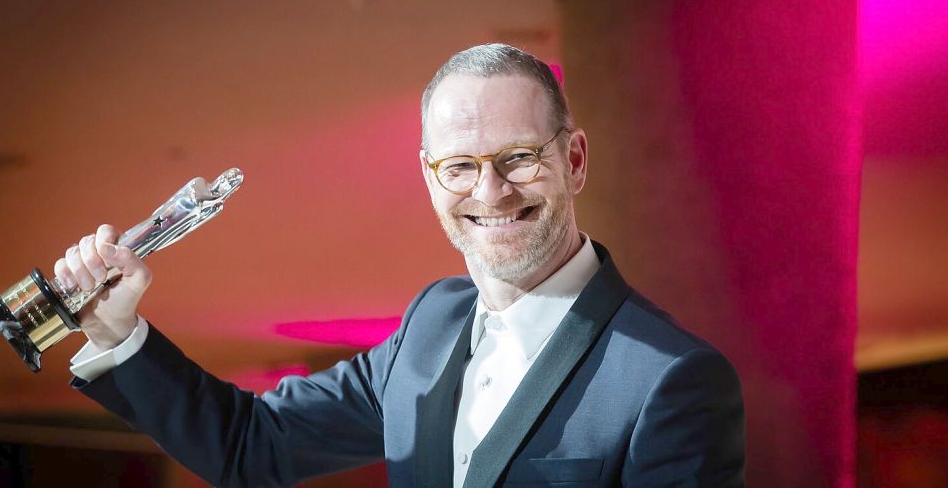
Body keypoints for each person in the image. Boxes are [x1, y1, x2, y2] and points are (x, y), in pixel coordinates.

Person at [56, 44, 745, 487]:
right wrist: (119, 332)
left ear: (573, 160)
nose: (490, 191)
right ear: (427, 177)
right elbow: (250, 445)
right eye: (459, 167)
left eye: (518, 158)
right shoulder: (430, 324)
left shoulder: (671, 378)